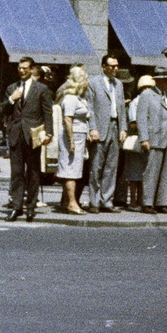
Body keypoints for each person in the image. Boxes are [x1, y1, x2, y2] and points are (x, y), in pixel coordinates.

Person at [3, 56, 53, 222]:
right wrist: (12, 99)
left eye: (25, 68)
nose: (21, 71)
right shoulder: (12, 88)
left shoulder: (41, 89)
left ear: (32, 69)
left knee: (32, 172)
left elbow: (47, 112)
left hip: (33, 134)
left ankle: (31, 206)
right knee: (16, 173)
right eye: (19, 68)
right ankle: (17, 206)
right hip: (16, 133)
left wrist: (49, 133)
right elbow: (4, 110)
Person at [85, 54, 125, 214]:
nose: (116, 68)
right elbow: (90, 107)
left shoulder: (119, 84)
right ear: (104, 66)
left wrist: (123, 128)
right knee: (96, 166)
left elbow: (121, 107)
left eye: (117, 66)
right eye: (112, 66)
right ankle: (94, 201)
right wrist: (92, 128)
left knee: (111, 166)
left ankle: (107, 200)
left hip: (115, 126)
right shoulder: (94, 83)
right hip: (100, 127)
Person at [135, 76, 167, 214]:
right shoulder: (147, 95)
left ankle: (161, 202)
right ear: (157, 81)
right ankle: (147, 203)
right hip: (154, 137)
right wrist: (144, 138)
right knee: (151, 172)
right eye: (166, 80)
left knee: (165, 172)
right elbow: (141, 118)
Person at [55, 65, 92, 215]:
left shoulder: (79, 97)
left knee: (76, 169)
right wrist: (71, 141)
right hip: (73, 137)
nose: (88, 81)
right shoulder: (70, 98)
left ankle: (66, 202)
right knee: (70, 170)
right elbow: (68, 120)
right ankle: (71, 203)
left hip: (80, 136)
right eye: (86, 78)